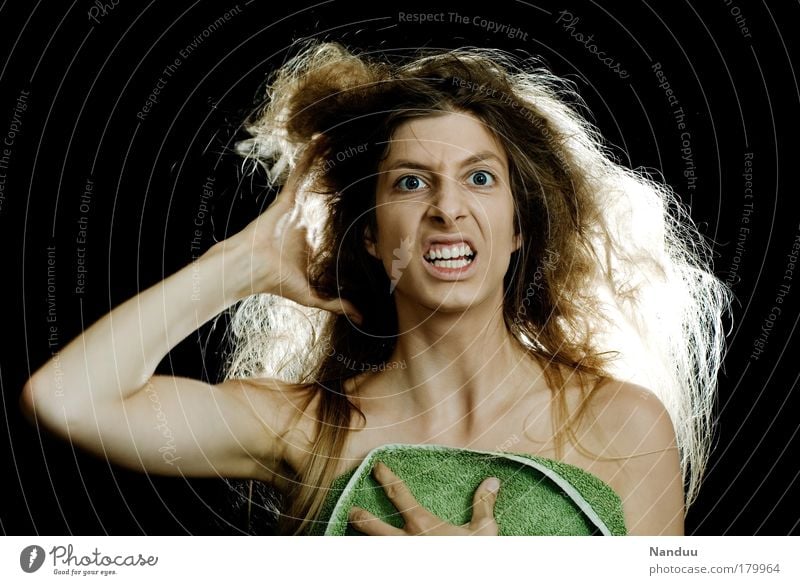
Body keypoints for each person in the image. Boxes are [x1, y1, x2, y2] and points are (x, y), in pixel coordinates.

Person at [21, 40, 730, 536]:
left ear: (518, 226)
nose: (448, 208)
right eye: (411, 181)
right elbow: (68, 399)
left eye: (480, 178)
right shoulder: (308, 426)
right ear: (369, 231)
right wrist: (242, 264)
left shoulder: (623, 423)